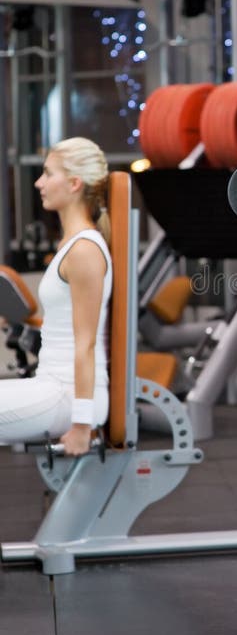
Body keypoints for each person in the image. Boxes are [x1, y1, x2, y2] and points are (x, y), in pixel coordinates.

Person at [0, 137, 112, 456]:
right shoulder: (71, 245)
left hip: (67, 395)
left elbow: (86, 344)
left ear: (75, 183)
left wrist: (81, 425)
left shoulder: (84, 251)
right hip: (52, 387)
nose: (39, 183)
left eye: (48, 174)